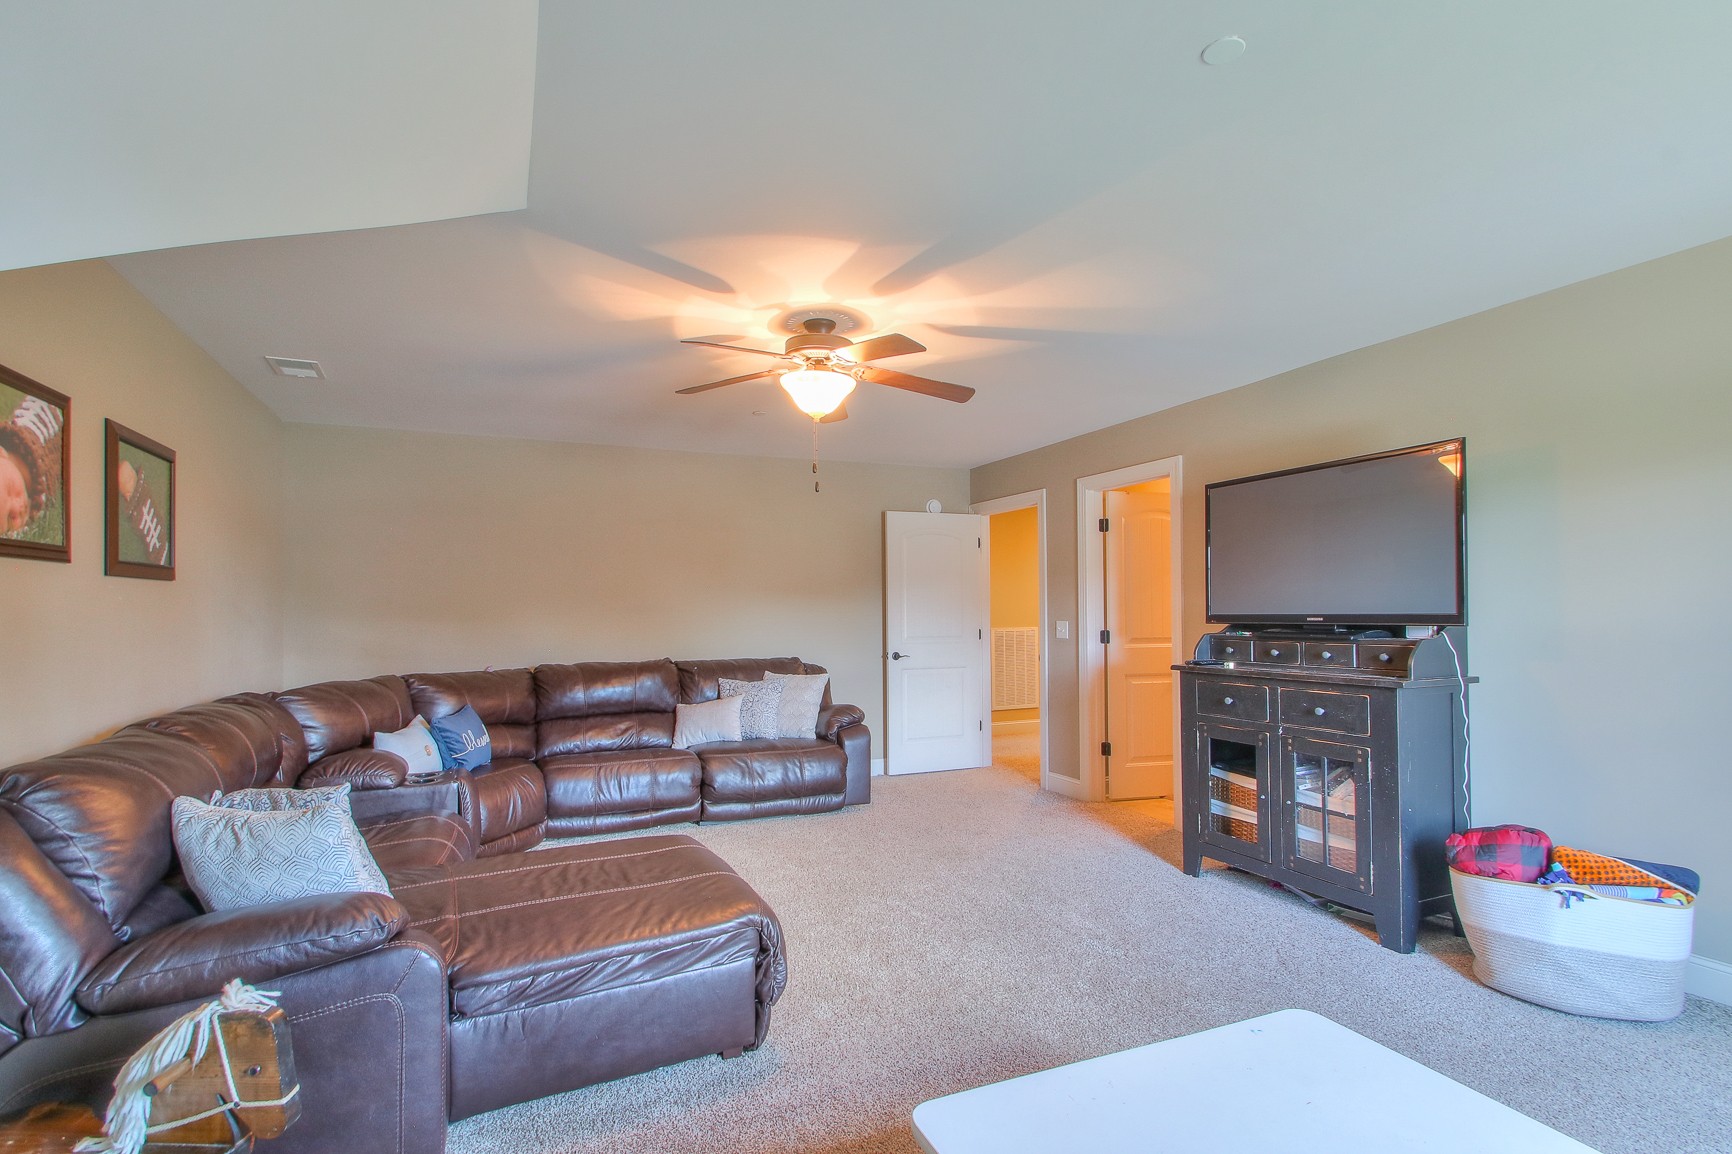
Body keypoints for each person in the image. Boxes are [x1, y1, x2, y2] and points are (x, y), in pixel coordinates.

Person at [0, 393, 62, 538]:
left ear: (2, 452)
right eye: (10, 518)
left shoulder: (38, 427)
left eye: (10, 489)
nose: (18, 506)